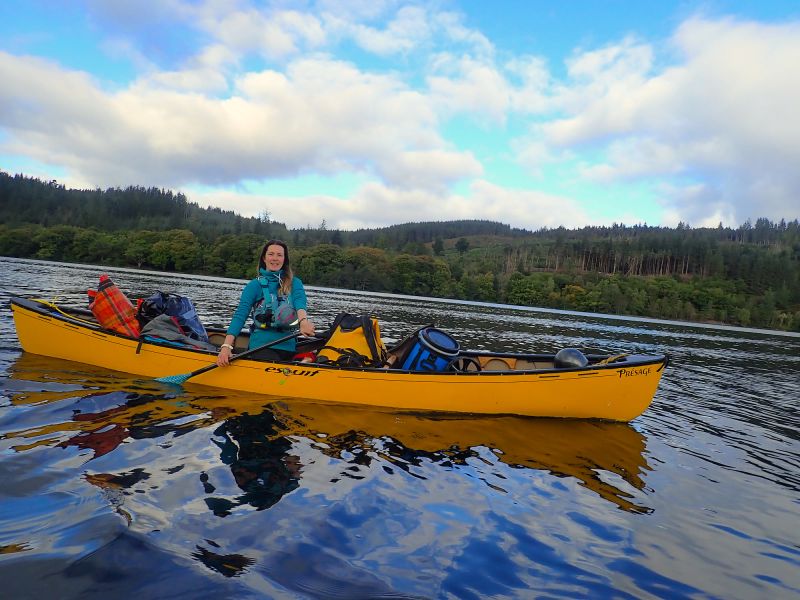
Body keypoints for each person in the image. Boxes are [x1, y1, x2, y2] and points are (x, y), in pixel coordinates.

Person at [217, 240, 315, 366]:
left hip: (289, 347)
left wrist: (304, 322)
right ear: (264, 258)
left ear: (284, 259)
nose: (275, 258)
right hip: (261, 347)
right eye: (271, 254)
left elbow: (300, 302)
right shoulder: (254, 285)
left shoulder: (295, 283)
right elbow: (240, 315)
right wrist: (226, 346)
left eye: (279, 255)